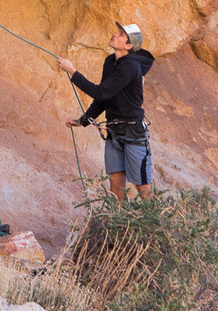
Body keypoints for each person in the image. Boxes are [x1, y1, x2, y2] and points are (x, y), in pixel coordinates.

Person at [57, 23, 156, 200]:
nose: (114, 34)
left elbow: (101, 92)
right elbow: (104, 98)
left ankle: (156, 219)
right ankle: (120, 219)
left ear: (128, 45)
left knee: (143, 189)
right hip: (114, 132)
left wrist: (72, 72)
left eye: (121, 34)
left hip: (133, 133)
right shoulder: (110, 62)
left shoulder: (131, 66)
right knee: (116, 189)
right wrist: (83, 120)